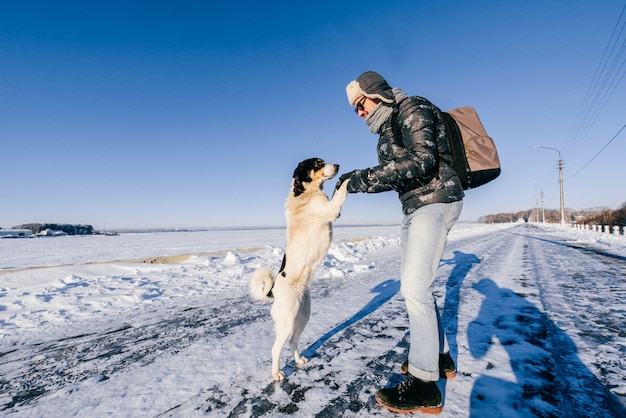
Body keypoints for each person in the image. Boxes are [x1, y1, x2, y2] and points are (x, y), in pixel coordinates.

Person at [338, 71, 464, 414]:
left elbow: (422, 160)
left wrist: (364, 177)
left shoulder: (412, 108)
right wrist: (357, 181)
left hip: (436, 199)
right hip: (414, 205)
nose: (359, 113)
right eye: (354, 109)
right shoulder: (384, 132)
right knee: (420, 286)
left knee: (413, 288)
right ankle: (440, 357)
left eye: (360, 104)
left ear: (376, 94)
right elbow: (397, 175)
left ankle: (425, 386)